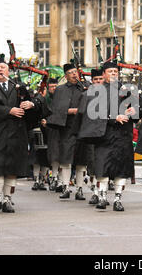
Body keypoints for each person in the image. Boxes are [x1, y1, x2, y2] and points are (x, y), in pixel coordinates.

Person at [0, 57, 40, 213]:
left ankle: (7, 199)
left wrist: (30, 104)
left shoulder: (18, 87)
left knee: (13, 167)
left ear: (8, 71)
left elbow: (34, 102)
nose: (0, 70)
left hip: (16, 133)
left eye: (3, 68)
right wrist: (8, 110)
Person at [77, 61, 137, 211]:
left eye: (115, 72)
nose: (113, 74)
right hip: (104, 135)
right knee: (102, 167)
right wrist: (113, 117)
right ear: (103, 74)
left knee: (121, 169)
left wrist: (134, 111)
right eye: (110, 71)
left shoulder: (127, 90)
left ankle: (118, 199)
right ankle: (102, 197)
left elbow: (137, 108)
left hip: (123, 136)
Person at [46, 64, 90, 201]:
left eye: (75, 72)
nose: (74, 74)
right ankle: (65, 187)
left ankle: (80, 189)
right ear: (66, 76)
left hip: (83, 128)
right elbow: (55, 109)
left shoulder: (85, 87)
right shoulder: (60, 90)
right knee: (66, 159)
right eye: (70, 73)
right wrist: (70, 111)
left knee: (81, 160)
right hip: (67, 128)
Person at [86, 68, 104, 205]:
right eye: (95, 80)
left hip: (105, 134)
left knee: (103, 166)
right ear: (92, 81)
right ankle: (94, 192)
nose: (98, 81)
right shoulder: (87, 95)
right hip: (91, 134)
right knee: (93, 165)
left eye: (100, 79)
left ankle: (101, 193)